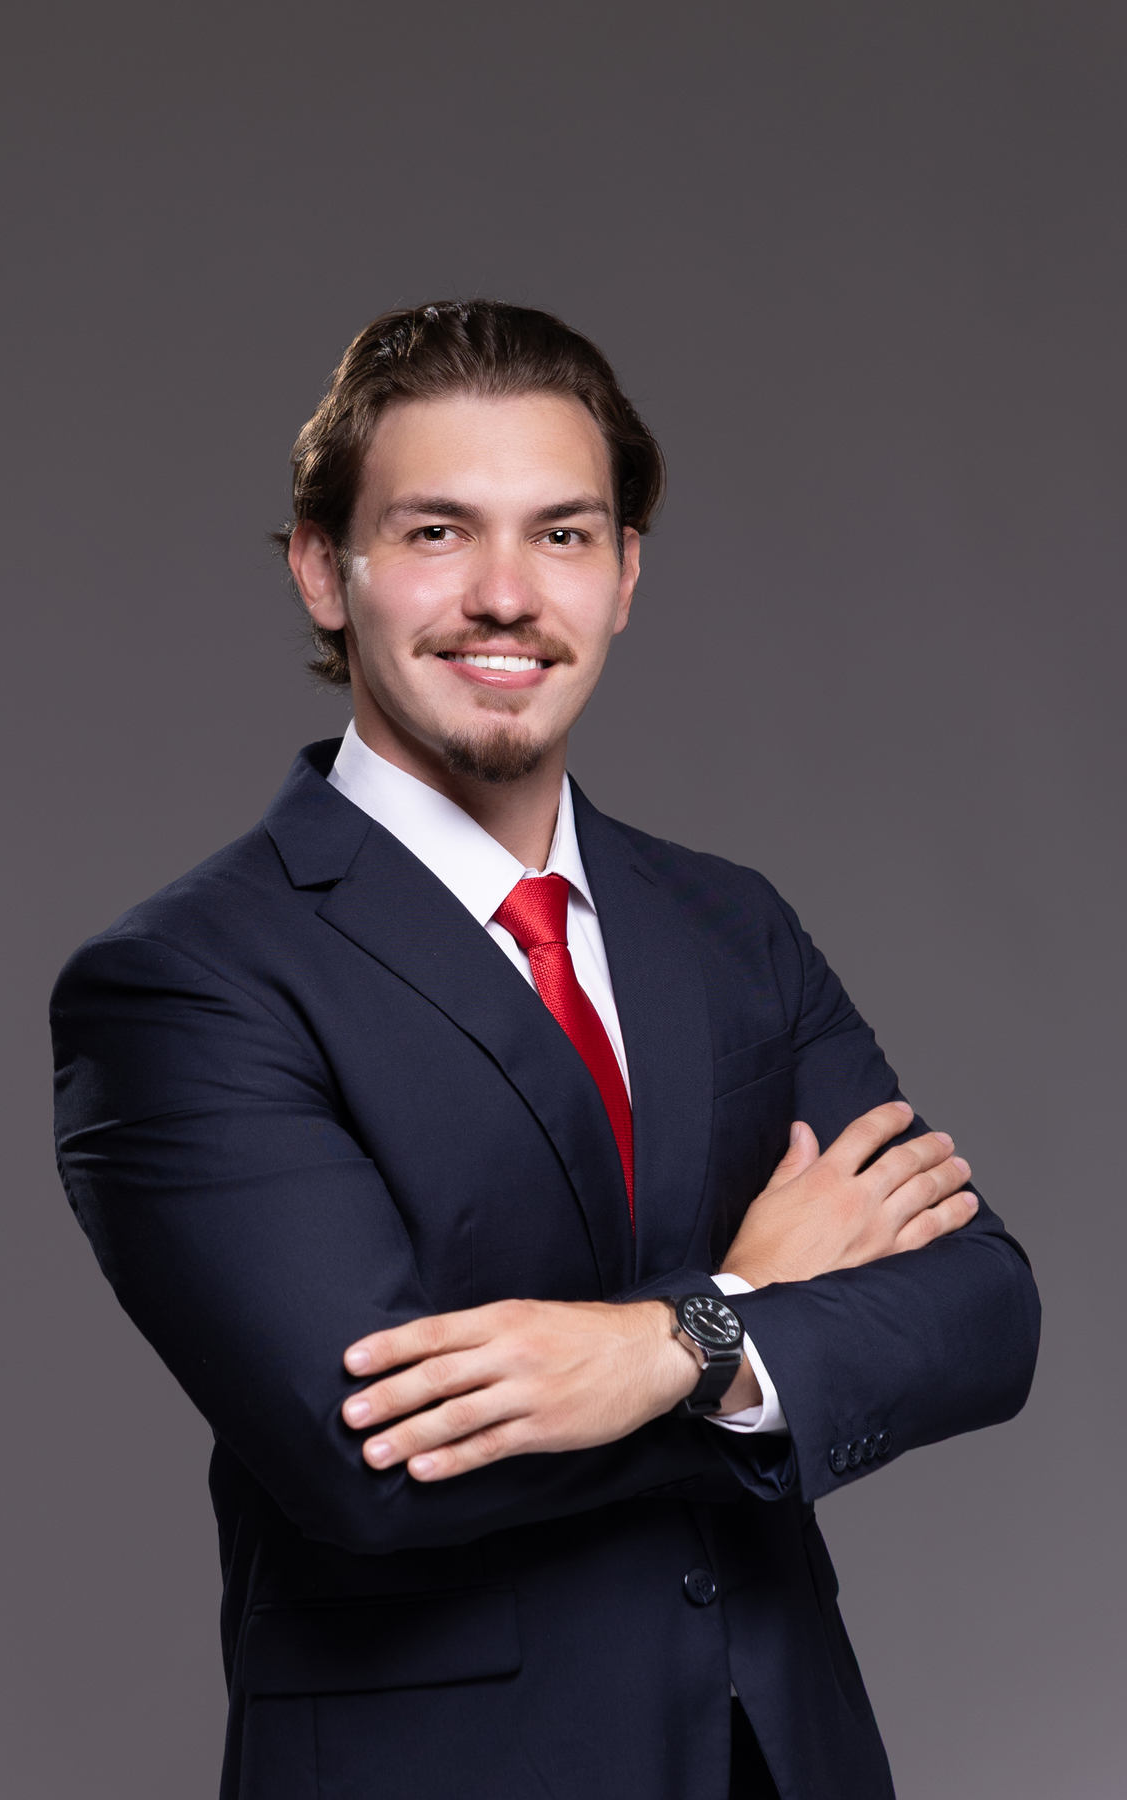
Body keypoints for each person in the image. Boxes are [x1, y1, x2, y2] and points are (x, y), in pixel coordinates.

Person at [51, 300, 1040, 1800]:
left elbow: (982, 1312)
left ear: (626, 574)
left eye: (562, 535)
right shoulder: (185, 983)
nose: (506, 595)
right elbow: (375, 1466)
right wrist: (731, 1311)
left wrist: (645, 1352)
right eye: (437, 533)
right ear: (323, 569)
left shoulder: (730, 923)